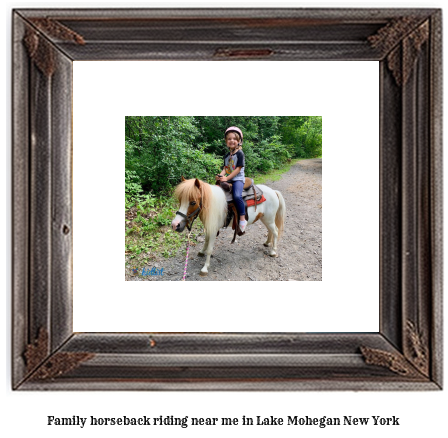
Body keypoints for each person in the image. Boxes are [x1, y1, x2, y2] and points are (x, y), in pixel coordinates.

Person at [216, 126, 247, 232]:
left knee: (237, 196)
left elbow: (238, 169)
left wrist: (227, 178)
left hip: (238, 179)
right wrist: (220, 176)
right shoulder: (226, 156)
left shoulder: (240, 154)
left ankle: (242, 219)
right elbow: (226, 168)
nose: (232, 141)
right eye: (229, 139)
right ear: (226, 141)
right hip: (228, 178)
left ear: (239, 141)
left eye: (234, 139)